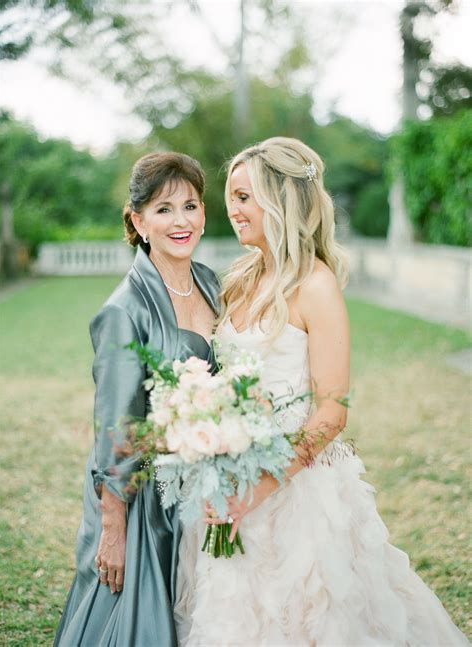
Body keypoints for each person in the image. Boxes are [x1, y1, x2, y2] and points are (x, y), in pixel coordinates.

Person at [174, 137, 469, 646]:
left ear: (280, 201)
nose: (232, 209)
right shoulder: (239, 280)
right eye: (232, 196)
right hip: (225, 479)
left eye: (244, 197)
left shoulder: (316, 286)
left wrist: (254, 489)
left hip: (297, 491)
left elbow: (332, 412)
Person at [54, 152, 219, 647]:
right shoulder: (123, 311)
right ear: (138, 220)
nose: (181, 220)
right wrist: (113, 527)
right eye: (164, 209)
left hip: (199, 483)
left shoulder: (211, 283)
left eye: (190, 205)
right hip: (142, 496)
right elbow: (115, 427)